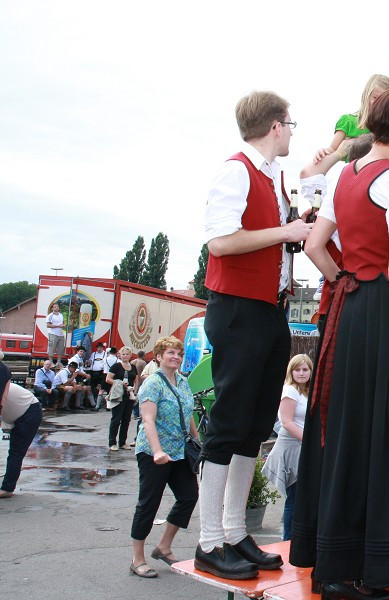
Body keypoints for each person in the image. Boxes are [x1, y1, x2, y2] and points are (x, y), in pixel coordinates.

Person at [293, 87, 389, 597]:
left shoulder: (344, 173)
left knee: (343, 426)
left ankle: (335, 562)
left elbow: (313, 243)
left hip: (348, 308)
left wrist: (341, 279)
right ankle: (365, 564)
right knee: (374, 431)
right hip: (377, 310)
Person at [197, 91, 312, 580]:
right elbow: (220, 241)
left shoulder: (271, 176)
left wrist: (293, 230)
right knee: (228, 425)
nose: (291, 131)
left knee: (252, 427)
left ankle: (234, 533)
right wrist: (285, 235)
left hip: (269, 310)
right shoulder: (237, 169)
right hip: (238, 309)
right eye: (290, 123)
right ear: (274, 126)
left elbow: (266, 239)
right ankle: (207, 541)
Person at [129, 336, 199, 578]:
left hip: (179, 451)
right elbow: (147, 419)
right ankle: (137, 558)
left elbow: (188, 412)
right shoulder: (152, 383)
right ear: (158, 356)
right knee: (149, 503)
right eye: (171, 353)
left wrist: (197, 440)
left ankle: (163, 546)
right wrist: (158, 451)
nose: (176, 357)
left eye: (179, 354)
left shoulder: (182, 381)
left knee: (189, 496)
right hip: (153, 452)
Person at [262, 354, 311, 541]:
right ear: (291, 372)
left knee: (301, 497)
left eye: (305, 369)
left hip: (302, 447)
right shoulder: (290, 390)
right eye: (297, 369)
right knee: (294, 497)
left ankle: (298, 539)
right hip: (292, 448)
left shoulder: (307, 391)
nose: (301, 373)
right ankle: (288, 540)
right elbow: (287, 422)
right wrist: (310, 442)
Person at [1, 380, 43, 498]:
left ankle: (7, 488)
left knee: (16, 452)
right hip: (20, 411)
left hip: (29, 412)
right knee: (14, 452)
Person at [107, 347, 138, 451]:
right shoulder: (116, 366)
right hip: (118, 394)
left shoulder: (133, 367)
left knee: (126, 419)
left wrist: (135, 390)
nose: (125, 356)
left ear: (130, 355)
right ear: (120, 355)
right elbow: (108, 379)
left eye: (127, 354)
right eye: (123, 354)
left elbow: (136, 380)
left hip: (129, 395)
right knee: (116, 419)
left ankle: (122, 442)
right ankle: (112, 443)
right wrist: (119, 383)